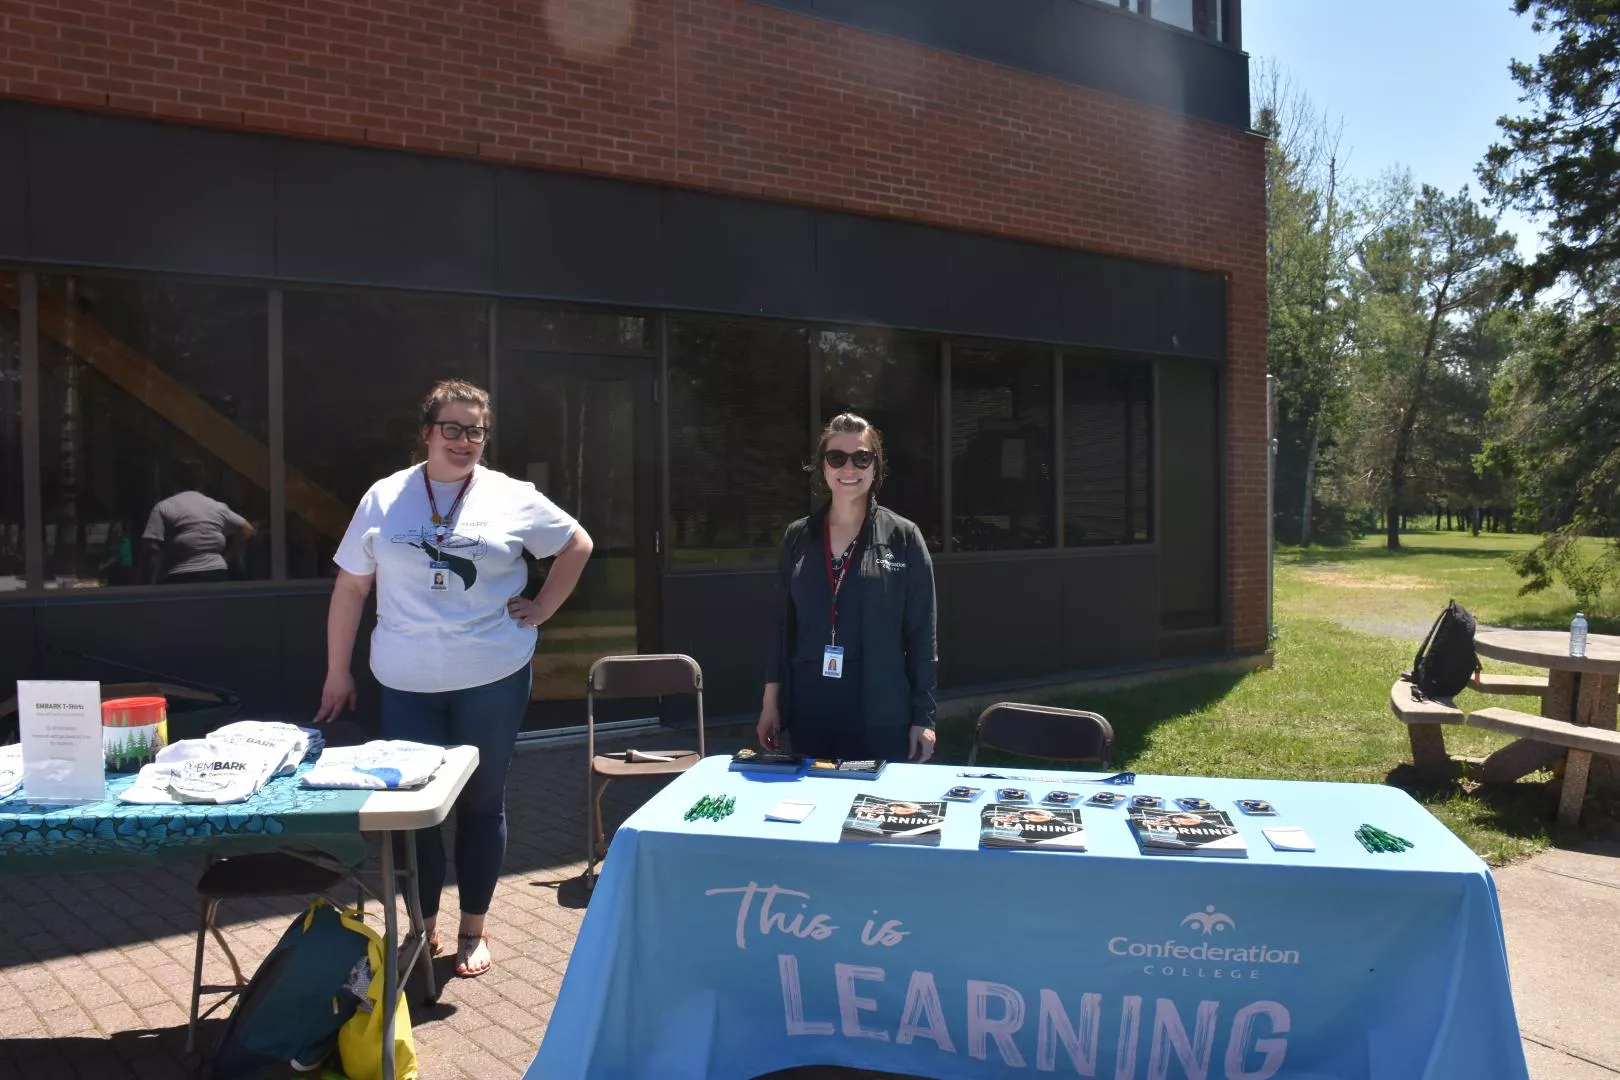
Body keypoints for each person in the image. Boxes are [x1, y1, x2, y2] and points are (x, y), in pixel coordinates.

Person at [313, 378, 593, 979]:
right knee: (416, 811)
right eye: (453, 428)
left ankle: (473, 930)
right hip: (406, 680)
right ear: (427, 433)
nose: (465, 441)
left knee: (481, 804)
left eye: (476, 431)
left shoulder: (512, 496)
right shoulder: (385, 498)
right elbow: (351, 587)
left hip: (491, 674)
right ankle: (423, 929)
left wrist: (541, 607)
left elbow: (576, 544)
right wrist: (338, 671)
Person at [757, 413, 938, 764]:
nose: (849, 468)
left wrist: (924, 719)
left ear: (875, 467)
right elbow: (781, 628)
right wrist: (770, 702)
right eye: (836, 458)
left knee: (871, 815)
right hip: (811, 709)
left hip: (881, 714)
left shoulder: (903, 538)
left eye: (862, 457)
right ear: (823, 468)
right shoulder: (798, 537)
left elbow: (922, 636)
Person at [139, 464, 255, 584]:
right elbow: (247, 529)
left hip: (179, 575)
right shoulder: (217, 507)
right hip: (215, 572)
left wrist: (143, 579)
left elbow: (150, 546)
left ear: (176, 482)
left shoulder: (165, 506)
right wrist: (227, 558)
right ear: (201, 484)